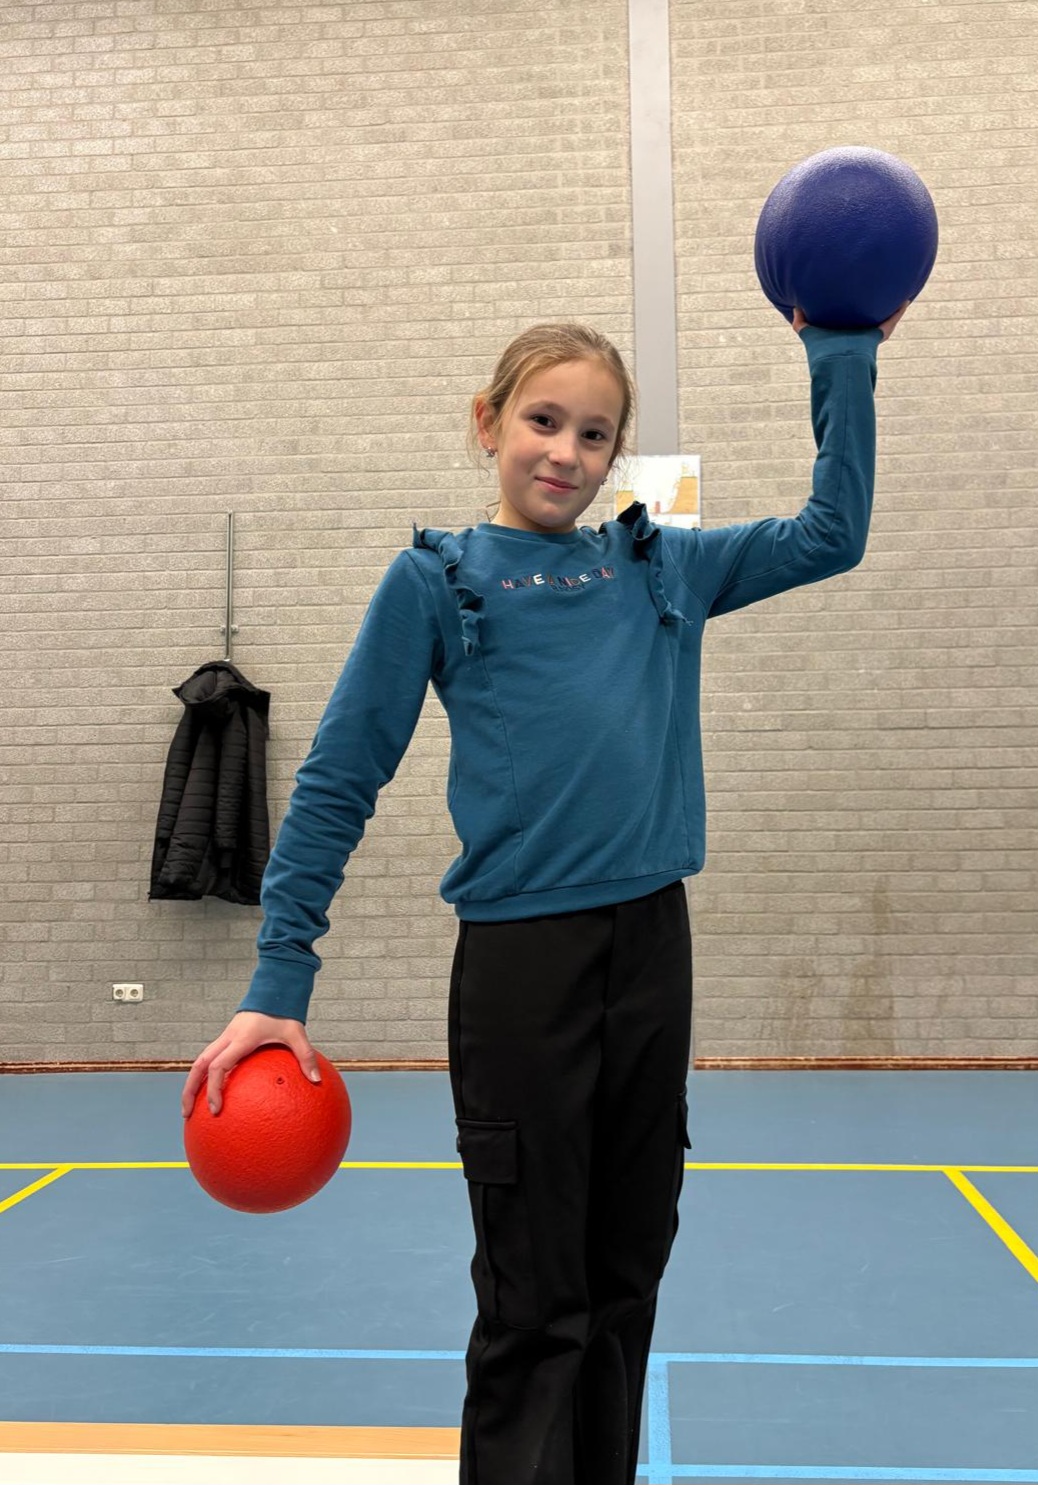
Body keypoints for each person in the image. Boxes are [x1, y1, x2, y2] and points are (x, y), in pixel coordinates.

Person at [181, 299, 909, 1485]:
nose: (566, 452)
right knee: (535, 1303)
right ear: (489, 423)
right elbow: (338, 778)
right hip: (522, 973)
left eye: (594, 434)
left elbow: (834, 532)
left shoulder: (662, 569)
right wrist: (280, 977)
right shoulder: (436, 582)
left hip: (652, 952)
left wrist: (841, 351)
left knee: (625, 1281)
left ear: (616, 456)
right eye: (543, 421)